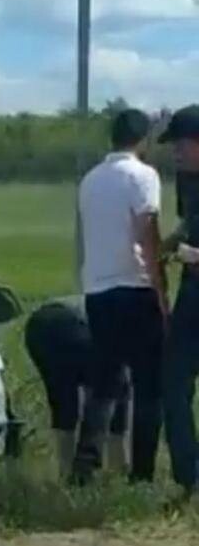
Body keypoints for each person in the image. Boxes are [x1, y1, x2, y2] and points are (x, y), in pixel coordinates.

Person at [72, 108, 167, 483]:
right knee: (149, 386)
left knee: (104, 383)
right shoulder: (143, 176)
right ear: (142, 141)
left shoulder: (90, 180)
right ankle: (141, 473)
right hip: (135, 286)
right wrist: (160, 286)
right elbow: (147, 231)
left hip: (98, 289)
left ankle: (85, 467)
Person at [25, 296, 130, 481]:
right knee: (110, 390)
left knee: (63, 400)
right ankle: (109, 469)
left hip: (38, 325)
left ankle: (64, 471)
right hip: (73, 325)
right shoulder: (132, 319)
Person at [159, 106, 199, 499]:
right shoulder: (187, 181)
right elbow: (190, 223)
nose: (176, 153)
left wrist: (194, 255)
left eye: (181, 145)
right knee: (173, 383)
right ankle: (191, 478)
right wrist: (168, 244)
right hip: (192, 295)